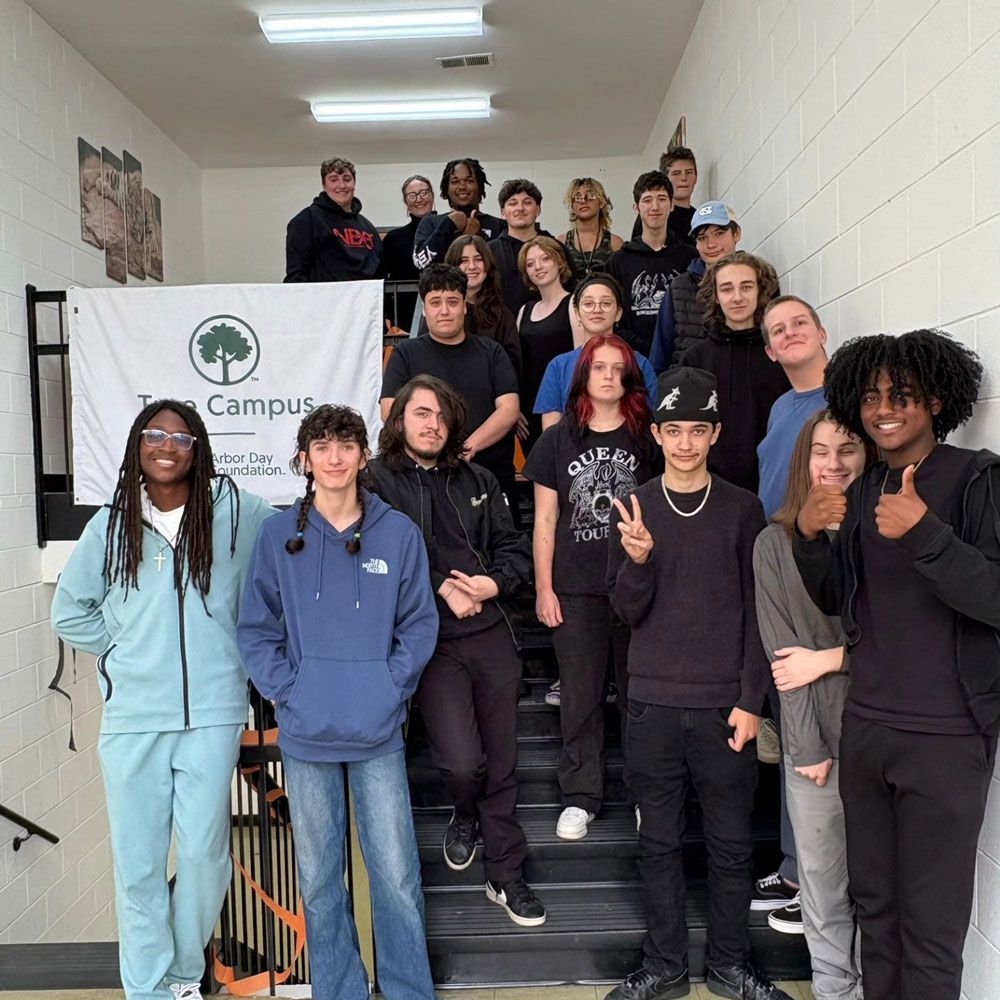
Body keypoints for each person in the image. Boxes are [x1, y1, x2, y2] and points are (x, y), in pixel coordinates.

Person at [793, 330, 1000, 1000]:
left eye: (903, 395)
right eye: (874, 395)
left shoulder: (977, 477)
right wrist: (810, 538)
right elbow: (839, 598)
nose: (886, 408)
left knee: (932, 934)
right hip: (870, 728)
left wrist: (925, 532)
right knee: (875, 916)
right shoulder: (863, 490)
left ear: (937, 401)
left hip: (946, 736)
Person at [51, 400, 276, 1000]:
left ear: (197, 447)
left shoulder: (237, 514)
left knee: (205, 856)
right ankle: (148, 989)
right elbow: (68, 611)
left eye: (180, 436)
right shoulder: (111, 524)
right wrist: (121, 650)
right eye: (154, 434)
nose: (166, 445)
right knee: (140, 866)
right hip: (132, 720)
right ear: (137, 447)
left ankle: (181, 975)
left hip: (213, 713)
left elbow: (300, 528)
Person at [237, 405, 438, 1000]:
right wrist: (287, 691)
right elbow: (256, 629)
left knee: (396, 876)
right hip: (306, 735)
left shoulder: (397, 533)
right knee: (321, 878)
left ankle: (406, 990)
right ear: (305, 459)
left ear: (362, 456)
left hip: (376, 733)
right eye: (321, 447)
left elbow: (419, 626)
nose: (334, 457)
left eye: (345, 446)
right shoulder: (277, 536)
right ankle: (341, 990)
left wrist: (387, 689)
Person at [605, 367, 790, 1000]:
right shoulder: (635, 506)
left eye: (698, 431)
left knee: (732, 846)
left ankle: (730, 966)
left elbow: (758, 612)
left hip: (722, 710)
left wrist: (748, 702)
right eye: (673, 430)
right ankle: (665, 966)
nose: (685, 443)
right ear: (656, 434)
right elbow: (625, 613)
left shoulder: (744, 509)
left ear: (714, 434)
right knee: (656, 844)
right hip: (652, 703)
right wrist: (637, 562)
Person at [368, 375, 546, 927]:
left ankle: (505, 873)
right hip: (429, 638)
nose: (432, 424)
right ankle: (463, 812)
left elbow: (515, 550)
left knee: (503, 760)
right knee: (463, 763)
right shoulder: (375, 481)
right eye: (421, 414)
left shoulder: (481, 478)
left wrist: (494, 584)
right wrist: (442, 583)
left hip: (491, 631)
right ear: (399, 421)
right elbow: (372, 552)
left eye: (441, 416)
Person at [754, 410, 873, 1000]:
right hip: (814, 743)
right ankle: (834, 990)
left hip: (882, 734)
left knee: (876, 884)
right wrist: (806, 747)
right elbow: (783, 660)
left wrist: (829, 659)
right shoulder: (773, 545)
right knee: (823, 887)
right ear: (803, 462)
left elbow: (901, 641)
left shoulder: (883, 533)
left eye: (847, 449)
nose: (833, 463)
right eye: (820, 451)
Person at [523, 334, 657, 841]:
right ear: (582, 375)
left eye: (615, 367)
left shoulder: (648, 437)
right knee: (579, 697)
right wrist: (543, 589)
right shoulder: (557, 439)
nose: (606, 375)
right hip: (576, 588)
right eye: (597, 367)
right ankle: (581, 796)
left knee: (639, 695)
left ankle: (647, 794)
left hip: (637, 584)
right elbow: (545, 521)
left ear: (628, 375)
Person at [381, 263, 520, 503]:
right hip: (422, 478)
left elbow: (509, 409)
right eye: (435, 302)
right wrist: (435, 448)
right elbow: (390, 411)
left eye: (452, 301)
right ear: (424, 309)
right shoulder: (405, 354)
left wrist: (468, 448)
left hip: (488, 476)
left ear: (465, 306)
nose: (444, 310)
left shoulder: (492, 352)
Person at [680, 250, 789, 492]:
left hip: (775, 485)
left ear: (760, 291)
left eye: (747, 287)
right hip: (713, 490)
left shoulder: (780, 354)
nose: (737, 297)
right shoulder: (695, 359)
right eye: (727, 289)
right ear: (716, 295)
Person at [533, 275, 658, 431]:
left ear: (618, 313)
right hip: (572, 452)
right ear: (577, 313)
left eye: (605, 303)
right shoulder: (559, 366)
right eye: (588, 304)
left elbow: (651, 419)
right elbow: (551, 431)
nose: (597, 309)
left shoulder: (639, 363)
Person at [607, 171, 698, 356]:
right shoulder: (619, 261)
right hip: (634, 358)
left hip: (681, 358)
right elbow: (612, 319)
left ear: (672, 205)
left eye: (662, 199)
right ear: (636, 208)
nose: (655, 206)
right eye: (647, 200)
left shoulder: (689, 256)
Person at [757, 296, 830, 518]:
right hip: (774, 542)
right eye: (778, 330)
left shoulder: (847, 397)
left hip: (819, 541)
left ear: (822, 334)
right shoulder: (779, 407)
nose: (790, 332)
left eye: (799, 323)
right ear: (771, 352)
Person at [649, 201, 742, 373]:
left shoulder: (759, 280)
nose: (711, 244)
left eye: (719, 233)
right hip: (688, 390)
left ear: (737, 233)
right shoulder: (678, 288)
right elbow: (660, 353)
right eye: (702, 238)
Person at [515, 235, 579, 451]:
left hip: (563, 404)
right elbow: (519, 363)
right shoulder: (525, 310)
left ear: (559, 262)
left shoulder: (574, 304)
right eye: (530, 264)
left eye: (545, 259)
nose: (538, 267)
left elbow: (580, 359)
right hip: (530, 407)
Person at [285, 156, 381, 283]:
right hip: (325, 300)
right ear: (324, 185)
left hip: (366, 299)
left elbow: (380, 271)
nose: (341, 185)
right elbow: (296, 274)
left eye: (347, 179)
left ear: (354, 183)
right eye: (333, 180)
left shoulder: (368, 228)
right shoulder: (307, 220)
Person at [442, 234, 522, 378]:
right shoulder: (441, 312)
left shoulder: (502, 314)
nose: (472, 266)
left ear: (488, 265)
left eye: (478, 259)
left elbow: (512, 366)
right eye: (463, 261)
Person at [413, 158, 505, 268]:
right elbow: (421, 264)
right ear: (446, 188)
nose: (462, 186)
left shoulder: (499, 225)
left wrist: (479, 237)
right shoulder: (431, 222)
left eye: (469, 181)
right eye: (455, 182)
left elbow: (502, 267)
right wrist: (448, 225)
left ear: (480, 187)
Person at [489, 178, 561, 315]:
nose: (520, 208)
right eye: (513, 203)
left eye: (527, 202)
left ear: (538, 210)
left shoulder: (556, 248)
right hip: (500, 330)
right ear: (503, 212)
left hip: (549, 329)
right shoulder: (489, 251)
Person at [382, 174, 436, 330]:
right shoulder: (393, 239)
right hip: (405, 321)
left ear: (432, 195)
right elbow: (383, 278)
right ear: (406, 202)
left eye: (424, 192)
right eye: (412, 196)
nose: (419, 199)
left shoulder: (448, 230)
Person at [557, 177, 624, 283]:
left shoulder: (615, 243)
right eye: (577, 197)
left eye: (590, 196)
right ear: (572, 206)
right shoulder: (561, 242)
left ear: (601, 202)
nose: (583, 200)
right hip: (571, 298)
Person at [630, 148, 699, 246]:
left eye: (689, 172)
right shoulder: (652, 214)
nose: (684, 178)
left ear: (696, 177)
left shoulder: (699, 217)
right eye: (676, 173)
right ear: (665, 179)